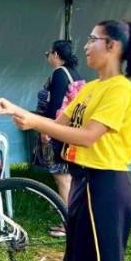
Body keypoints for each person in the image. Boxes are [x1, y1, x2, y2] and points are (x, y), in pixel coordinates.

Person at [0, 19, 131, 261]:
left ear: (112, 46)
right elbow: (58, 123)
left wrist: (32, 122)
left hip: (107, 184)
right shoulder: (90, 87)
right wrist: (17, 111)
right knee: (77, 260)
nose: (85, 46)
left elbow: (87, 136)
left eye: (92, 39)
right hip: (83, 180)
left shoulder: (121, 88)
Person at [32, 39, 83, 236]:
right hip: (70, 130)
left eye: (49, 54)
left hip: (59, 132)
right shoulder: (74, 73)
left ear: (56, 55)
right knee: (67, 177)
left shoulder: (59, 74)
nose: (48, 58)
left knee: (62, 177)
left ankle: (69, 224)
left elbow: (54, 106)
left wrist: (47, 130)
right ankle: (71, 221)